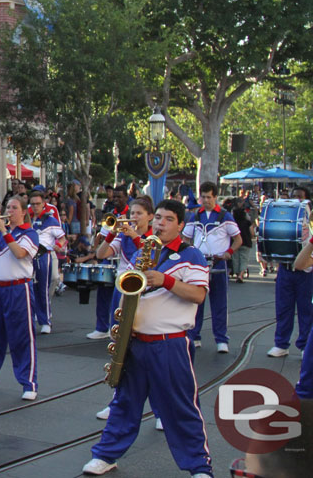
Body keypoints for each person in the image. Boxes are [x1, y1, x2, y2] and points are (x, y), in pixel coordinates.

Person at [82, 199, 213, 477]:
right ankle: (106, 454)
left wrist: (164, 280)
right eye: (158, 219)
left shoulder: (192, 255)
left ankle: (199, 466)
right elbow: (106, 256)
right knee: (124, 402)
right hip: (137, 341)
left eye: (167, 219)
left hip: (171, 343)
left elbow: (199, 295)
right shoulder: (146, 250)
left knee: (182, 407)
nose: (160, 224)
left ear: (180, 225)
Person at [93, 195, 155, 422]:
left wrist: (136, 236)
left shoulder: (154, 236)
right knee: (120, 348)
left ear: (150, 216)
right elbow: (100, 254)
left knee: (148, 353)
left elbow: (153, 258)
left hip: (147, 295)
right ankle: (117, 400)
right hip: (122, 291)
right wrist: (113, 232)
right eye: (133, 213)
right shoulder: (123, 236)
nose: (134, 218)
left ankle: (158, 409)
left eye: (139, 214)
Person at [0, 196, 40, 400]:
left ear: (24, 212)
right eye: (8, 207)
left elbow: (20, 253)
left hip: (18, 289)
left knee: (21, 337)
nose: (10, 211)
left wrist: (3, 231)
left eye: (14, 208)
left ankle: (28, 382)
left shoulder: (29, 234)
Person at [185, 181, 241, 353]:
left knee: (219, 303)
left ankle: (221, 339)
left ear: (215, 197)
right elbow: (186, 238)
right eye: (203, 197)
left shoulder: (225, 216)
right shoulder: (195, 216)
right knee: (196, 302)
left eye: (209, 197)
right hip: (199, 264)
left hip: (218, 262)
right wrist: (190, 252)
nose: (206, 200)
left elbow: (238, 239)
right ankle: (194, 336)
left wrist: (229, 252)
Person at [268, 187, 312, 359]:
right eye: (293, 197)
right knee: (283, 308)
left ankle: (305, 345)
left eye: (300, 198)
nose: (296, 201)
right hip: (286, 268)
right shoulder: (284, 218)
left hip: (307, 272)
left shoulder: (310, 220)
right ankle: (281, 344)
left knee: (306, 310)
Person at [87, 186, 129, 340]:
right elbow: (102, 235)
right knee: (103, 293)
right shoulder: (112, 214)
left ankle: (119, 330)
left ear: (126, 197)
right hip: (110, 256)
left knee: (122, 300)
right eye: (115, 196)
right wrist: (96, 250)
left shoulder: (131, 213)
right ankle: (102, 327)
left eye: (119, 197)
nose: (116, 199)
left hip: (124, 259)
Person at [29, 189, 65, 334]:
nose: (35, 207)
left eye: (38, 204)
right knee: (28, 289)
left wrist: (60, 245)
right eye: (32, 204)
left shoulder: (50, 220)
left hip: (44, 255)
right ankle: (29, 319)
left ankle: (45, 321)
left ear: (44, 204)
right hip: (27, 256)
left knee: (43, 289)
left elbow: (62, 237)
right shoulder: (27, 218)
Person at [230, 196, 254, 283]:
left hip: (235, 243)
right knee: (244, 259)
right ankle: (241, 274)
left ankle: (237, 274)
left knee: (235, 258)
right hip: (246, 242)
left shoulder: (233, 223)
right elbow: (252, 233)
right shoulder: (247, 222)